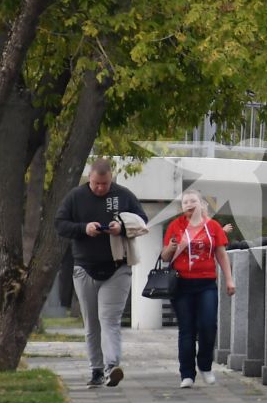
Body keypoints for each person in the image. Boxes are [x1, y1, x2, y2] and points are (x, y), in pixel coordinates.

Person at [54, 158, 149, 386]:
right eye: (96, 183)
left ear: (111, 179)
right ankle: (96, 368)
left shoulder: (123, 195)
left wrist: (122, 227)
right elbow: (60, 224)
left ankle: (111, 366)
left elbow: (143, 219)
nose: (100, 188)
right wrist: (83, 229)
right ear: (90, 177)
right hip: (84, 268)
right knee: (92, 324)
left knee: (109, 319)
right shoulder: (75, 197)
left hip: (117, 267)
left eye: (104, 184)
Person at [159, 188, 234, 387]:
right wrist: (173, 246)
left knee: (208, 326)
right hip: (182, 284)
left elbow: (221, 254)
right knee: (187, 330)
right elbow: (165, 257)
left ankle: (205, 365)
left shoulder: (213, 226)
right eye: (185, 202)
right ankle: (187, 374)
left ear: (201, 204)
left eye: (193, 201)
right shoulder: (176, 226)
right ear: (182, 207)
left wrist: (229, 279)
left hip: (206, 283)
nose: (189, 205)